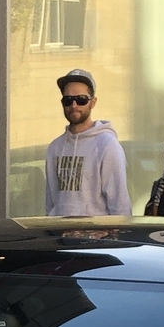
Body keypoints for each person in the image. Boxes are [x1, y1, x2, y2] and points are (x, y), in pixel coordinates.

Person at [43, 70, 129, 217]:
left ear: (93, 102)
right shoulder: (55, 148)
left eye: (81, 99)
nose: (74, 105)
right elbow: (51, 201)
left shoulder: (107, 145)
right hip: (61, 235)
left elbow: (119, 203)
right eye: (68, 100)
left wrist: (118, 237)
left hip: (97, 237)